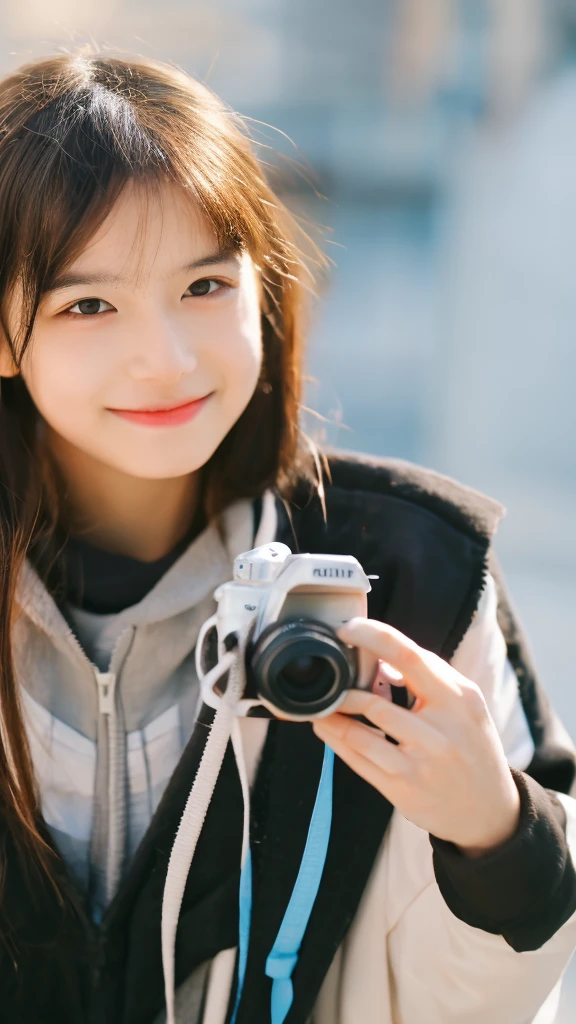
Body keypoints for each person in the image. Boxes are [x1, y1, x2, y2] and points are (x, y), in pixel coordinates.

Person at [0, 51, 573, 1024]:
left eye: (205, 286)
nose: (168, 358)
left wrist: (498, 832)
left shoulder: (414, 570)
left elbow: (471, 1004)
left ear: (262, 283)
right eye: (88, 303)